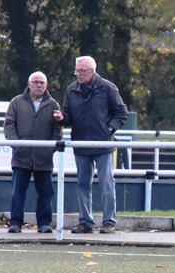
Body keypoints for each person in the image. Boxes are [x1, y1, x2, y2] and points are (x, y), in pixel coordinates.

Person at [53, 56, 128, 234]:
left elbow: (122, 113)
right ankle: (86, 222)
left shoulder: (108, 88)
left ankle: (109, 222)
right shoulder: (71, 90)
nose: (78, 74)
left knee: (106, 184)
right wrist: (62, 118)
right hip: (81, 144)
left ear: (92, 71)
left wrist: (108, 129)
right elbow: (68, 115)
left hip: (103, 145)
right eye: (77, 71)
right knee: (83, 184)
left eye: (82, 71)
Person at [4, 71, 62, 234]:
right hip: (21, 157)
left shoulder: (53, 104)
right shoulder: (16, 102)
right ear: (29, 84)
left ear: (46, 85)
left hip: (44, 158)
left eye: (42, 82)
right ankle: (15, 223)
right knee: (17, 192)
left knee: (46, 193)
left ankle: (44, 224)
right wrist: (18, 146)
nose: (38, 85)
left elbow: (58, 129)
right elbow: (9, 125)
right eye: (35, 82)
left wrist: (50, 149)